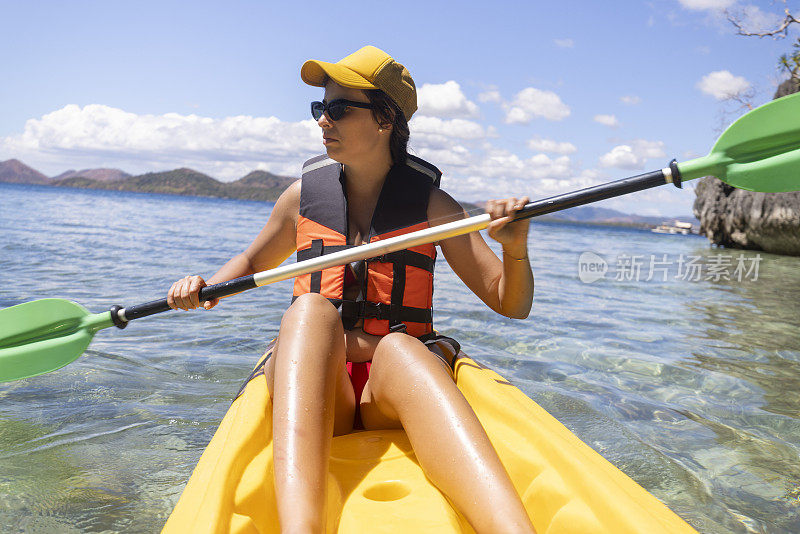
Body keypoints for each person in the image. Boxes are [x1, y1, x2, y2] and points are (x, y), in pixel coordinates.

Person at [167, 45, 536, 534]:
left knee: (403, 348)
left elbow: (510, 303)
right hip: (323, 385)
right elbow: (253, 263)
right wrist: (206, 286)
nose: (323, 121)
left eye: (339, 108)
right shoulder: (302, 197)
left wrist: (514, 249)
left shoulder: (433, 207)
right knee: (310, 311)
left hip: (388, 391)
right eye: (320, 108)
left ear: (385, 118)